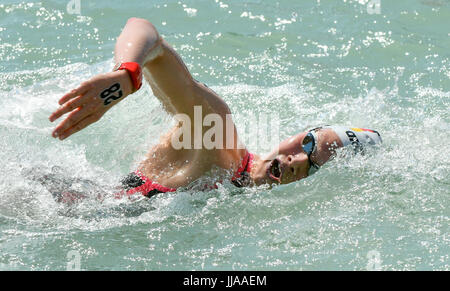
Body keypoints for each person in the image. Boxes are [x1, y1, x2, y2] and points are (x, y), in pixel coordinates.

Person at [49, 18, 382, 200]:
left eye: (314, 165)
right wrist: (129, 73)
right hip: (48, 201)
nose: (297, 160)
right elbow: (148, 35)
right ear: (299, 133)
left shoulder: (239, 195)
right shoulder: (218, 138)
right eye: (308, 144)